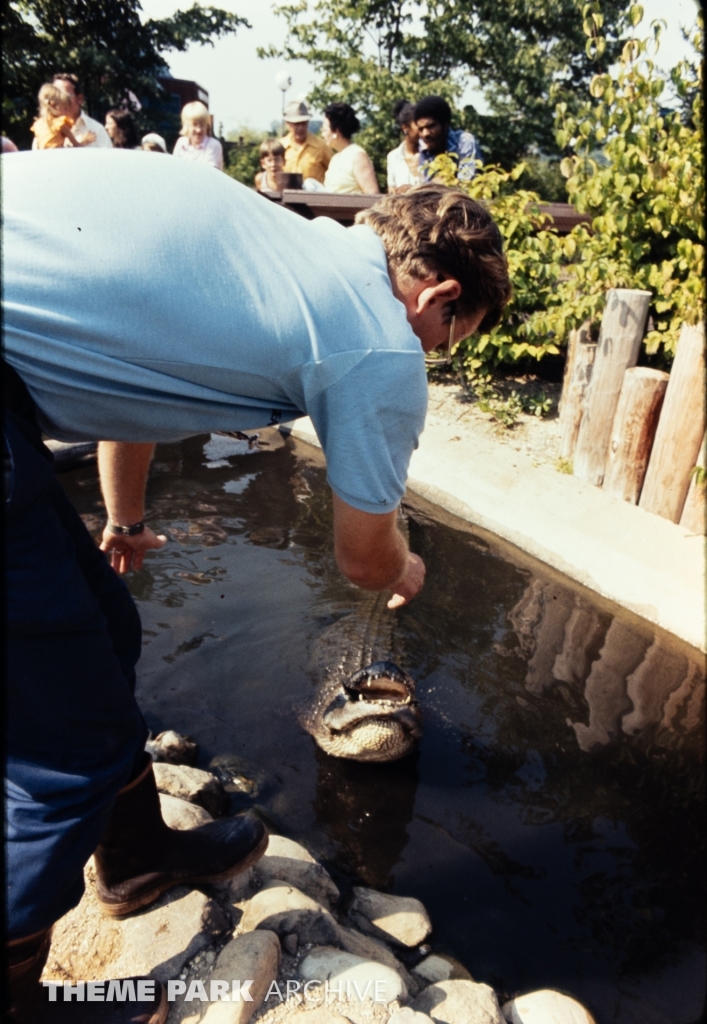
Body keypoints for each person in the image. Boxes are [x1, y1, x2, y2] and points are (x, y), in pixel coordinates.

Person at [3, 150, 511, 1021]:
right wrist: (405, 565)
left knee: (105, 629)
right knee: (66, 756)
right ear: (438, 300)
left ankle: (133, 858)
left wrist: (123, 524)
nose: (439, 355)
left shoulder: (287, 252)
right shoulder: (378, 339)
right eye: (453, 340)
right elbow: (364, 560)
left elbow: (135, 391)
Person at [413, 95, 479, 183]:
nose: (425, 134)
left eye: (431, 126)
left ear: (445, 124)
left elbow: (465, 183)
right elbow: (425, 184)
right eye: (421, 129)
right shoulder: (424, 146)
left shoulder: (464, 141)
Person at [38, 72, 113, 148]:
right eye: (54, 97)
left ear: (79, 99)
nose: (57, 101)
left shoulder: (96, 130)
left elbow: (109, 159)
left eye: (63, 95)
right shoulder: (43, 128)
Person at [321, 102, 379, 195]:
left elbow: (372, 195)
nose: (322, 135)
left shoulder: (358, 156)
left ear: (336, 131)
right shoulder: (335, 158)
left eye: (324, 130)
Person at [30, 83, 97, 150]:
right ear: (53, 105)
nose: (67, 112)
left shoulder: (37, 124)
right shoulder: (60, 124)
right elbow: (77, 145)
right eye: (65, 108)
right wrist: (86, 140)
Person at [280, 100, 332, 184]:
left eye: (303, 123)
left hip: (313, 196)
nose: (300, 128)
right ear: (288, 124)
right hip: (286, 196)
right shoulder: (281, 147)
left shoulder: (321, 146)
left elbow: (335, 172)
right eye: (296, 124)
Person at [172, 101, 223, 170]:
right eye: (195, 124)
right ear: (187, 125)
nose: (199, 130)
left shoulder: (213, 145)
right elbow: (174, 168)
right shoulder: (181, 143)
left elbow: (209, 174)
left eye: (202, 125)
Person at [386, 100, 421, 192]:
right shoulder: (393, 157)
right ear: (405, 127)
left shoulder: (432, 154)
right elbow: (391, 191)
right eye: (418, 125)